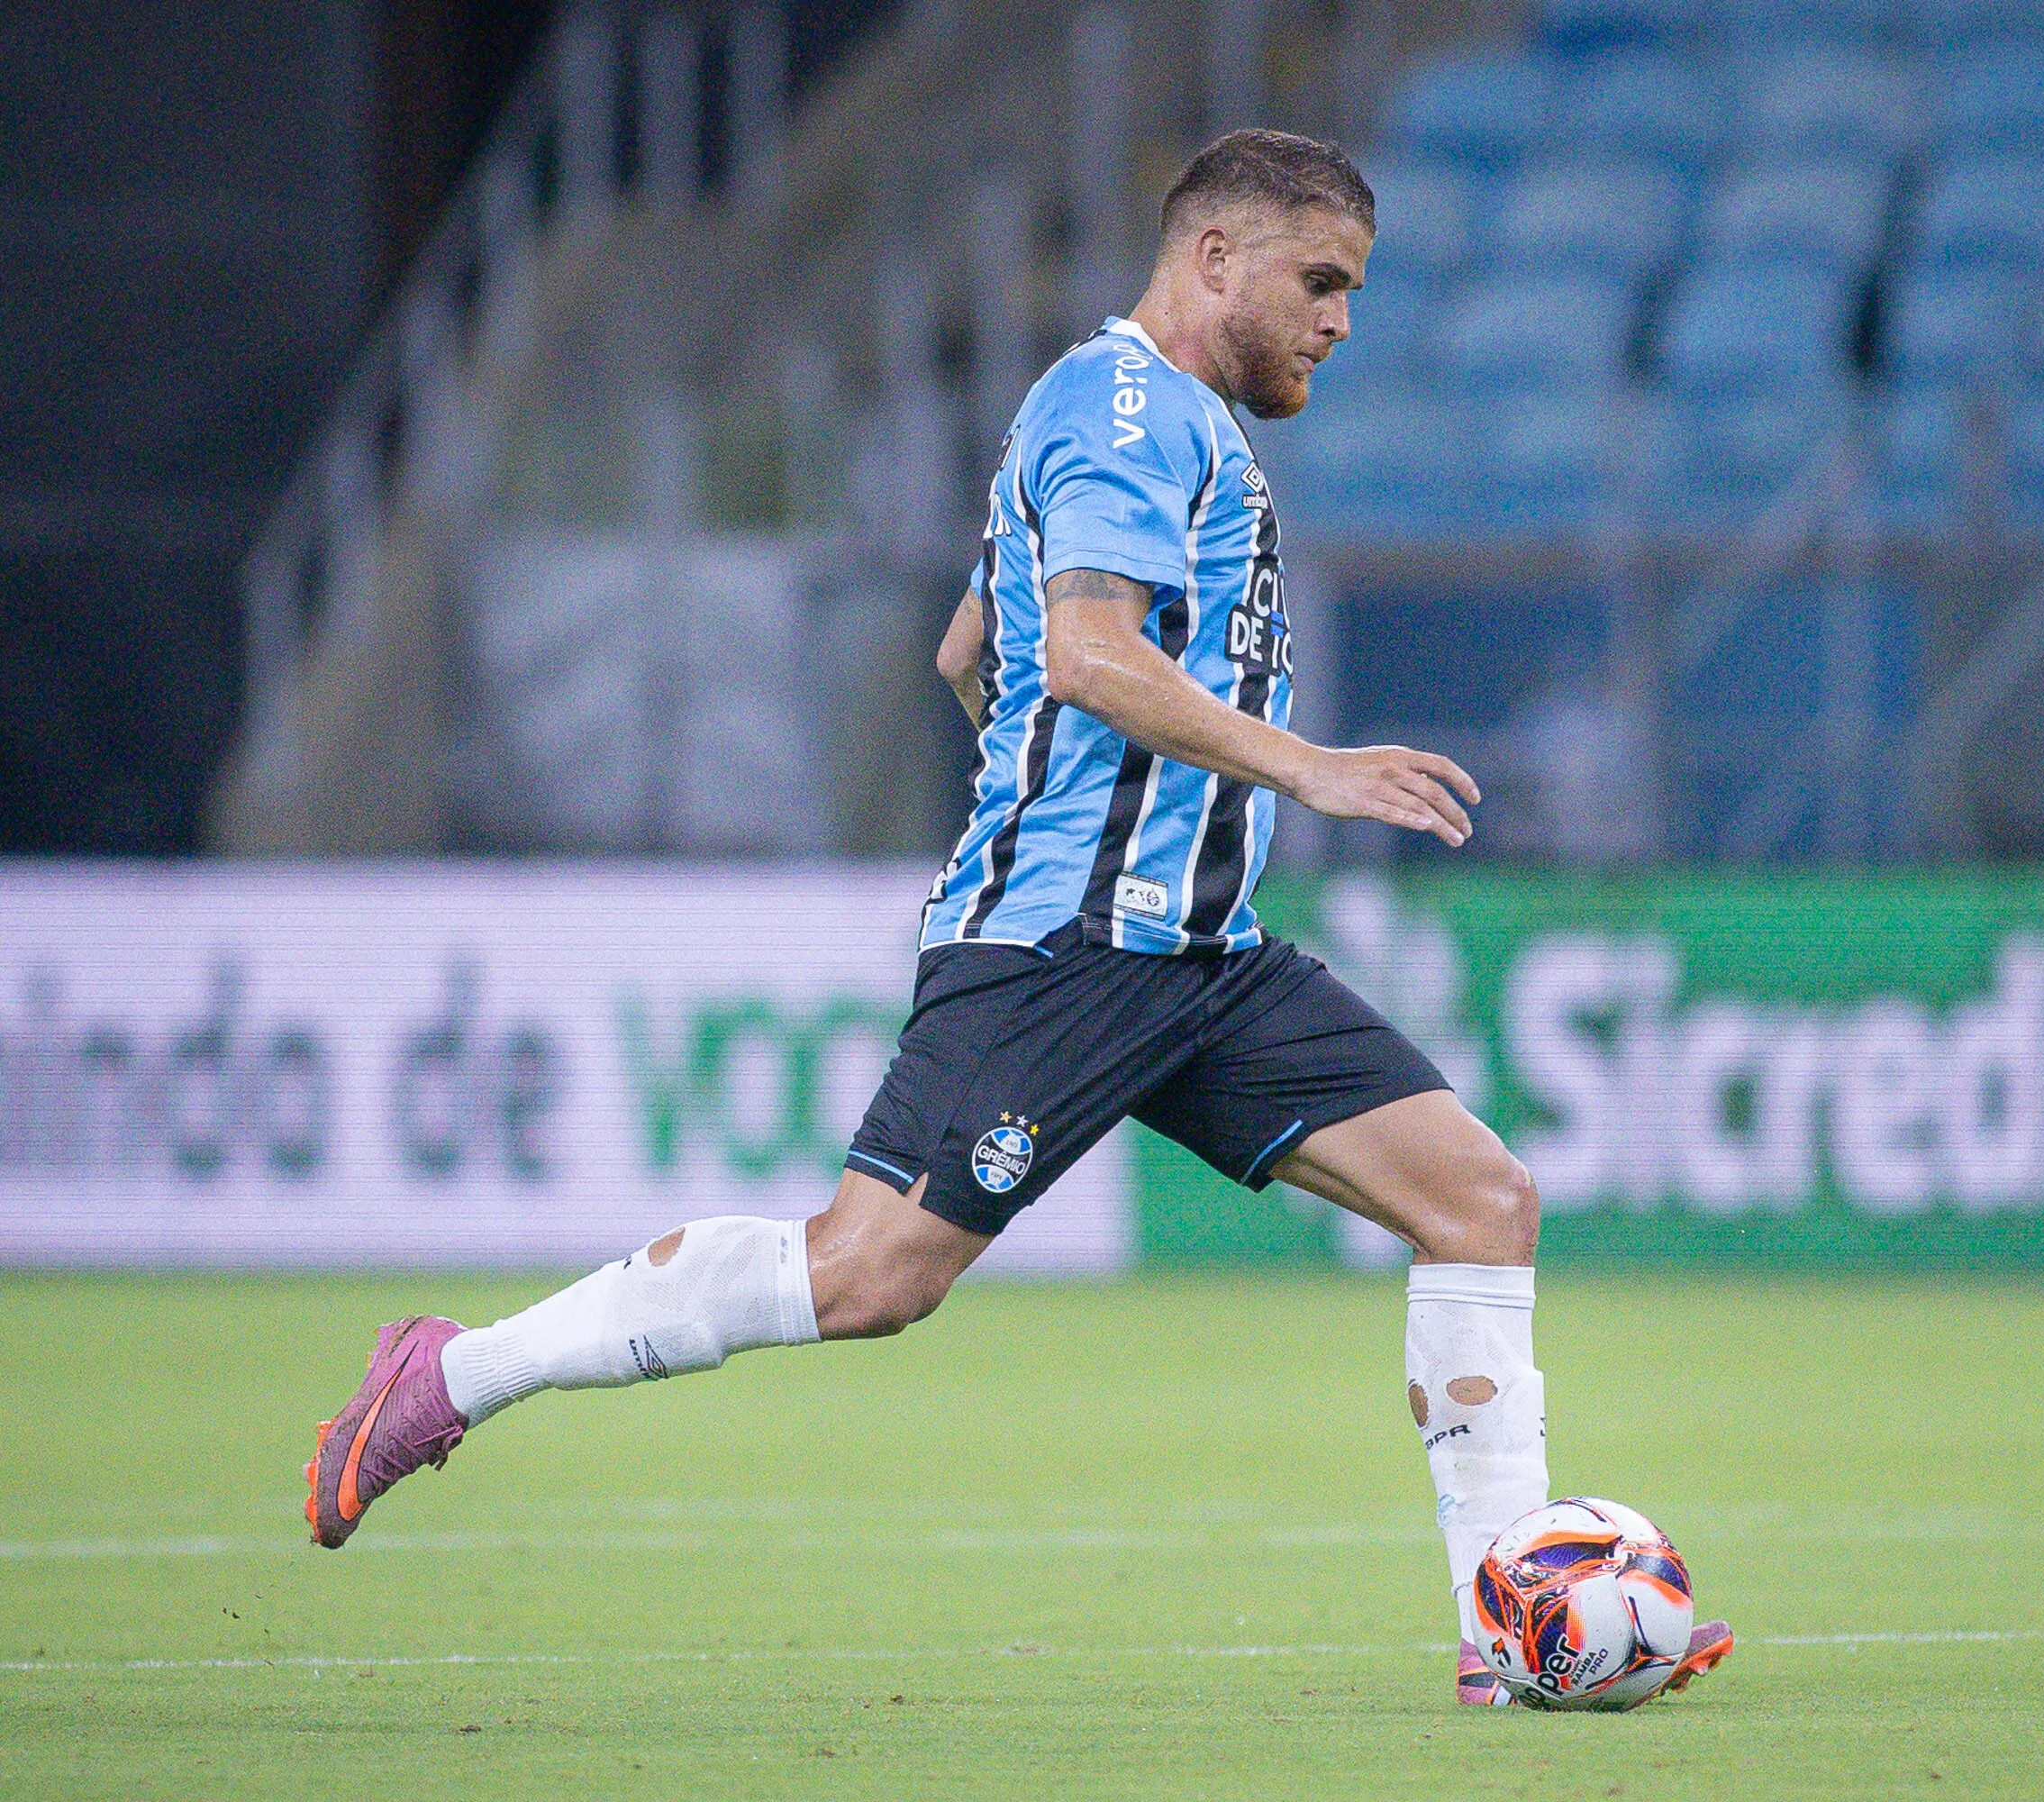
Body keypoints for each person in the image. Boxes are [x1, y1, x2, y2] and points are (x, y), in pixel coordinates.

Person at [304, 127, 1730, 1708]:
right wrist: (1295, 771)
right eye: (1320, 282)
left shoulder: (1146, 422)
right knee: (868, 1277)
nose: (1339, 319)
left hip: (1200, 956)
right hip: (1062, 948)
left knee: (1480, 1200)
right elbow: (1084, 656)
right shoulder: (1125, 406)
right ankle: (446, 1375)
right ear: (1214, 260)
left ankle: (1507, 1618)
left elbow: (965, 649)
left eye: (1354, 292)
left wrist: (1087, 784)